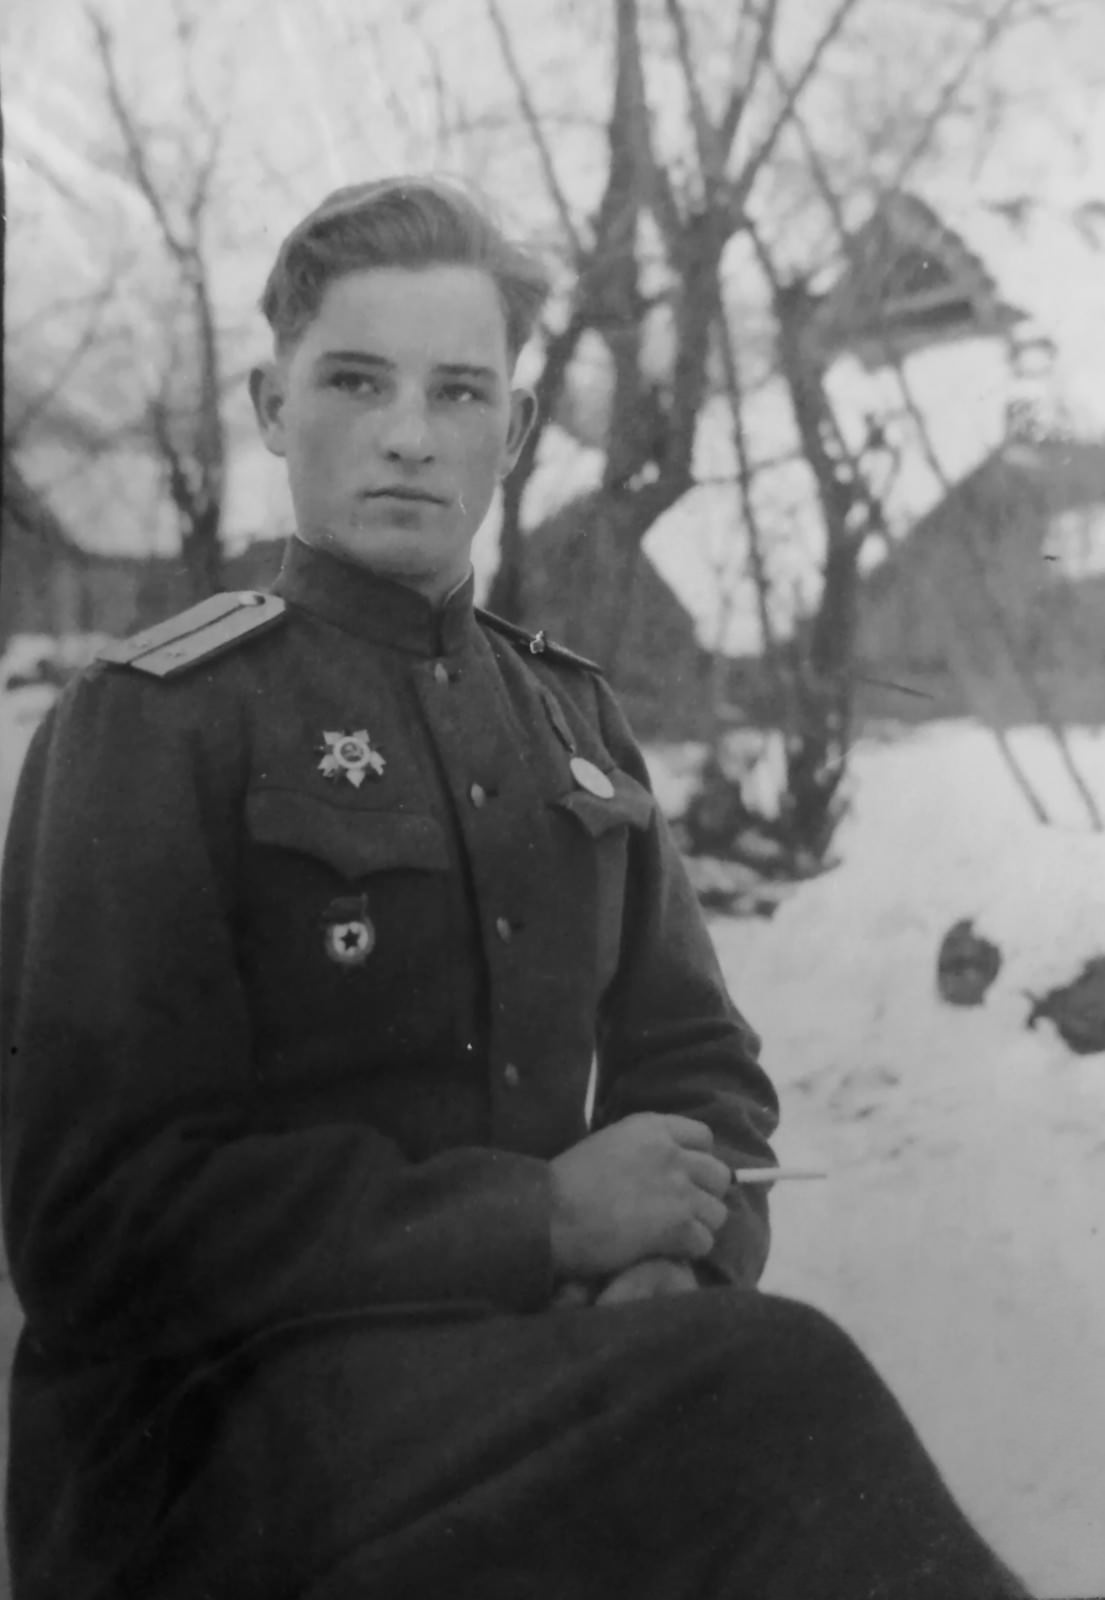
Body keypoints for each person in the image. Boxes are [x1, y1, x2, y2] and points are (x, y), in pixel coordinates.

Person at [0, 177, 1031, 1600]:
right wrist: (537, 1221)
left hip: (533, 1394)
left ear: (519, 428)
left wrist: (679, 1269)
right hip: (215, 1460)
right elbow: (90, 1220)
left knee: (743, 1410)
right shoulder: (156, 722)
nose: (410, 434)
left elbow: (701, 1068)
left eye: (460, 391)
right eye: (355, 381)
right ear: (271, 406)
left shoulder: (569, 719)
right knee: (779, 1393)